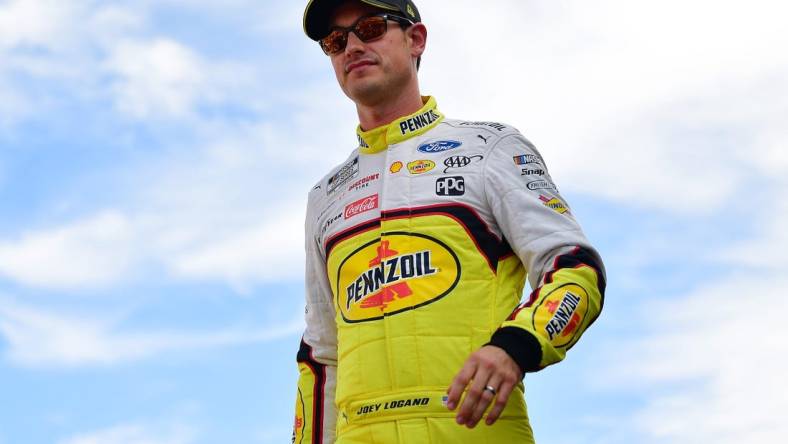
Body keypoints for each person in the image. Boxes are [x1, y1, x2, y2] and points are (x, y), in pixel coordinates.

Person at [293, 1, 606, 442]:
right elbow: (321, 358)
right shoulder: (325, 197)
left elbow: (576, 271)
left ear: (415, 39)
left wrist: (514, 347)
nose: (353, 46)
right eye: (336, 40)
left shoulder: (491, 149)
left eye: (370, 27)